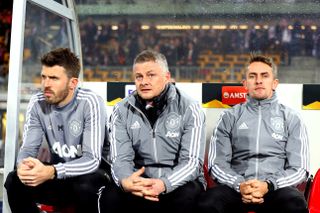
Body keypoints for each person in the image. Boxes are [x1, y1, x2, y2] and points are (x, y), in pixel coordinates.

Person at [198, 54, 310, 213]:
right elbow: (216, 165)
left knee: (295, 205)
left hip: (275, 189)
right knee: (207, 203)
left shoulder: (292, 118)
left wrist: (269, 185)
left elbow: (299, 168)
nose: (258, 81)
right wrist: (240, 185)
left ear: (274, 83)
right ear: (244, 84)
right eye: (252, 76)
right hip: (236, 188)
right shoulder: (229, 116)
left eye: (265, 76)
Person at [101, 49, 206, 213]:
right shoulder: (121, 110)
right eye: (139, 77)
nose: (144, 82)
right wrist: (127, 181)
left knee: (188, 195)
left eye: (151, 75)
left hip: (178, 183)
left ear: (167, 77)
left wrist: (164, 184)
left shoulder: (190, 108)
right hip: (140, 182)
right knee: (110, 196)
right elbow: (120, 159)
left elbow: (192, 163)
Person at [5, 48, 108, 213]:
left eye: (53, 78)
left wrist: (52, 171)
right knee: (14, 180)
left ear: (72, 83)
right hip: (58, 174)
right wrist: (23, 166)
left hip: (94, 175)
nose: (46, 84)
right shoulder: (37, 102)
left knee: (85, 186)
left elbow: (92, 160)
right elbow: (28, 149)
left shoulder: (90, 102)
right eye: (44, 77)